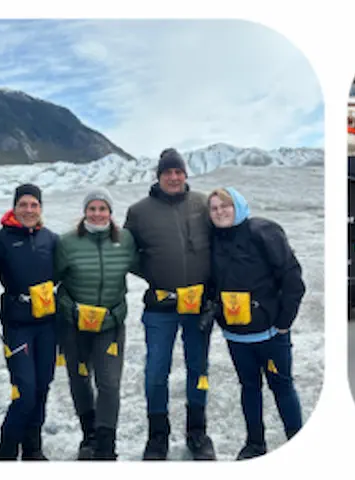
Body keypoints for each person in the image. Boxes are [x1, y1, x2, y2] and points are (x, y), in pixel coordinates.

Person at [122, 149, 217, 460]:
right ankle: (157, 434)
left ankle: (197, 432)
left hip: (198, 305)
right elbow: (128, 252)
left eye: (178, 172)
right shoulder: (139, 212)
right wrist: (153, 271)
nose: (174, 178)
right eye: (168, 173)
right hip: (160, 307)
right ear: (159, 176)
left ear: (185, 174)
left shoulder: (203, 204)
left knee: (198, 368)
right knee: (155, 371)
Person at [203, 187, 305, 460]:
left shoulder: (263, 232)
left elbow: (292, 278)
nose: (220, 212)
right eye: (214, 209)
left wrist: (284, 322)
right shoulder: (214, 239)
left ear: (238, 206)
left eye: (225, 206)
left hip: (270, 334)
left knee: (281, 387)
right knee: (249, 388)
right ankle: (255, 443)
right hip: (237, 335)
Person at [56, 189, 138, 460]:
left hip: (110, 325)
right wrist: (71, 310)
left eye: (102, 208)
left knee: (109, 383)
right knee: (80, 380)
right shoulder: (68, 243)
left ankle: (106, 443)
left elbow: (145, 265)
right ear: (85, 212)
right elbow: (53, 281)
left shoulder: (125, 240)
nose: (97, 214)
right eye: (92, 208)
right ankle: (88, 434)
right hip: (75, 327)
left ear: (110, 212)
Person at [0, 184, 58, 461]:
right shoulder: (0, 240)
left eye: (34, 205)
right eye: (24, 204)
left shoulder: (50, 239)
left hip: (47, 325)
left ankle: (32, 449)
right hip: (17, 325)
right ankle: (6, 453)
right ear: (14, 207)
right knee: (25, 390)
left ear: (40, 208)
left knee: (42, 387)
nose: (29, 210)